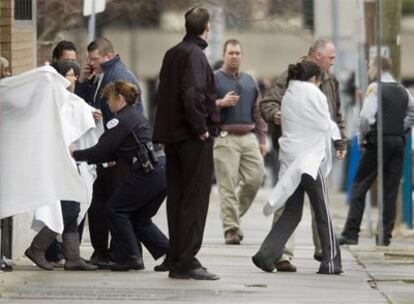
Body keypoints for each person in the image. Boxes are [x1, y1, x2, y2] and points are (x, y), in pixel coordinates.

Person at [259, 38, 346, 272]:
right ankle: (330, 261)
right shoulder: (312, 92)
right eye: (330, 57)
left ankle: (266, 255)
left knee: (292, 211)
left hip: (291, 157)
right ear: (316, 60)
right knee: (322, 210)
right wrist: (339, 141)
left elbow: (335, 113)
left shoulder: (292, 93)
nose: (333, 62)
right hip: (311, 159)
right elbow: (328, 122)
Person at [72, 81, 169, 271]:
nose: (107, 103)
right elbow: (114, 151)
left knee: (114, 209)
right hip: (160, 170)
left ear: (120, 99)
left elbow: (102, 150)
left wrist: (75, 153)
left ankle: (131, 256)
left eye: (109, 99)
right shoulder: (136, 116)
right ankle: (171, 253)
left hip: (147, 171)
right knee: (140, 218)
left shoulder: (119, 120)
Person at [153, 7, 220, 280]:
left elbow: (165, 93)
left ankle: (176, 255)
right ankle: (187, 260)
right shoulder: (195, 55)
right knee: (194, 199)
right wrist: (200, 128)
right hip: (192, 138)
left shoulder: (173, 53)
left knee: (178, 198)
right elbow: (191, 93)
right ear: (206, 28)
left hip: (173, 138)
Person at [75, 37, 143, 269]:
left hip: (118, 155)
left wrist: (114, 152)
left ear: (107, 56)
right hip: (106, 150)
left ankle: (123, 253)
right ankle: (103, 252)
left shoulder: (118, 76)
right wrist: (84, 81)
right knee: (100, 205)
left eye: (93, 59)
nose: (90, 63)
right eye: (89, 59)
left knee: (115, 205)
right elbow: (87, 106)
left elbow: (127, 120)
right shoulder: (101, 75)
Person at [25, 60, 97, 271]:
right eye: (69, 74)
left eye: (75, 74)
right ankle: (37, 248)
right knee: (67, 209)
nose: (74, 78)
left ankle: (72, 257)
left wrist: (88, 114)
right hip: (56, 163)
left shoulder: (66, 98)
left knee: (72, 208)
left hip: (68, 161)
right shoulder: (51, 100)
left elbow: (72, 121)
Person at [339, 56, 414, 246]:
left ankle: (351, 233)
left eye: (371, 67)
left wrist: (363, 139)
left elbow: (365, 117)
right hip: (398, 141)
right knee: (390, 189)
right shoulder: (404, 91)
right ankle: (384, 236)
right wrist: (401, 127)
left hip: (378, 140)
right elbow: (412, 113)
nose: (369, 71)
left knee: (360, 184)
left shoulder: (375, 88)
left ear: (376, 68)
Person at [213, 39, 267, 245]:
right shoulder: (214, 78)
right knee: (227, 185)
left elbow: (257, 111)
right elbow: (202, 104)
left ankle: (231, 217)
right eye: (230, 53)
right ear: (224, 54)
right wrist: (221, 103)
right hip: (225, 138)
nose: (234, 56)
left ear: (241, 56)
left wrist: (262, 139)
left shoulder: (249, 80)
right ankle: (231, 229)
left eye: (237, 53)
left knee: (255, 178)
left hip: (249, 137)